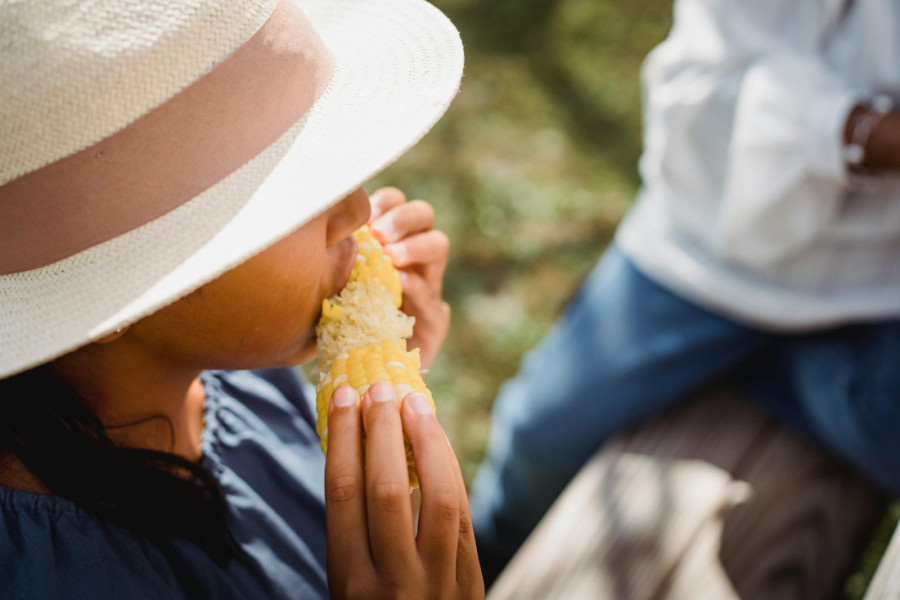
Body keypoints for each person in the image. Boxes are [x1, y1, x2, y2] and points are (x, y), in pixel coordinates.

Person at [0, 0, 483, 598]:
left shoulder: (240, 369)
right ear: (105, 304)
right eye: (288, 196)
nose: (356, 211)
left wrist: (387, 422)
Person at [470, 0, 900, 586]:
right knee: (540, 435)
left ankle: (777, 369)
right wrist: (870, 132)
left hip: (880, 285)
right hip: (700, 258)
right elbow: (724, 92)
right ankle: (479, 566)